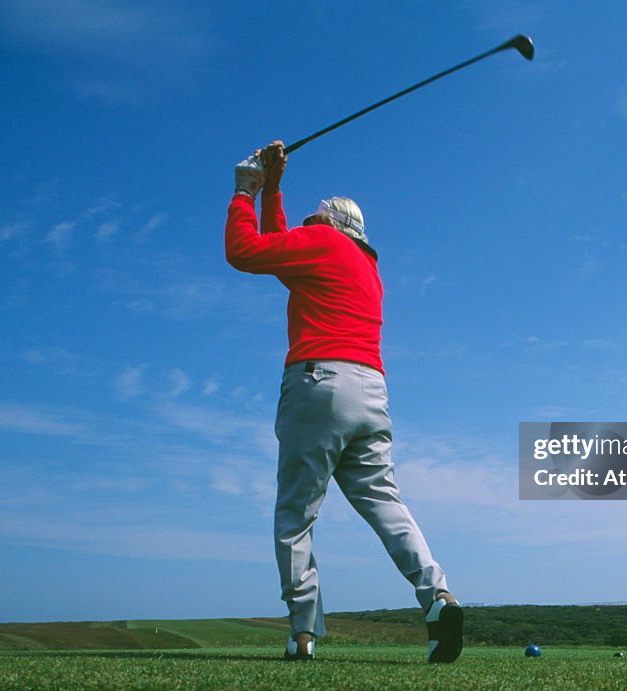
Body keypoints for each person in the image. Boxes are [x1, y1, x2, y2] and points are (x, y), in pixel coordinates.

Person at [224, 141, 463, 663]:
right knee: (384, 503)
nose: (305, 228)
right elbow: (282, 247)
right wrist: (277, 188)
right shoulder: (364, 265)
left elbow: (247, 252)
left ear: (329, 224)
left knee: (296, 513)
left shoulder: (321, 244)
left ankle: (302, 633)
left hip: (318, 383)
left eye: (313, 220)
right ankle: (439, 596)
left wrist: (247, 191)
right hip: (372, 391)